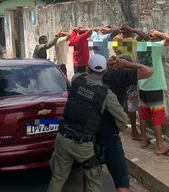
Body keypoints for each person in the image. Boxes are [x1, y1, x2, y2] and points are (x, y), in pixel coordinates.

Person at [47, 54, 128, 192]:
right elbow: (123, 120)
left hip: (63, 137)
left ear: (86, 68)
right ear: (105, 71)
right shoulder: (106, 94)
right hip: (83, 144)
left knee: (58, 178)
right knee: (93, 179)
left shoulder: (76, 79)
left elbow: (84, 75)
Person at [99, 54, 153, 192]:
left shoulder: (99, 75)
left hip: (92, 129)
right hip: (110, 132)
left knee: (91, 173)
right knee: (122, 179)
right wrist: (128, 65)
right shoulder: (122, 76)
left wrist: (107, 63)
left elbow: (92, 68)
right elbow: (148, 71)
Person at [137, 29, 169, 156]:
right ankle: (159, 147)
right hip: (154, 87)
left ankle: (144, 140)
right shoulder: (156, 46)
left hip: (143, 85)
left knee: (143, 115)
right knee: (157, 118)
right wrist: (159, 33)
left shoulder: (140, 46)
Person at [112, 24, 148, 141]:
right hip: (127, 74)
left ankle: (126, 127)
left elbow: (146, 37)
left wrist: (126, 30)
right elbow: (145, 37)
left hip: (121, 74)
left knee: (124, 102)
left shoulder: (119, 40)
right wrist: (130, 29)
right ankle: (133, 130)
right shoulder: (125, 41)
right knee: (129, 103)